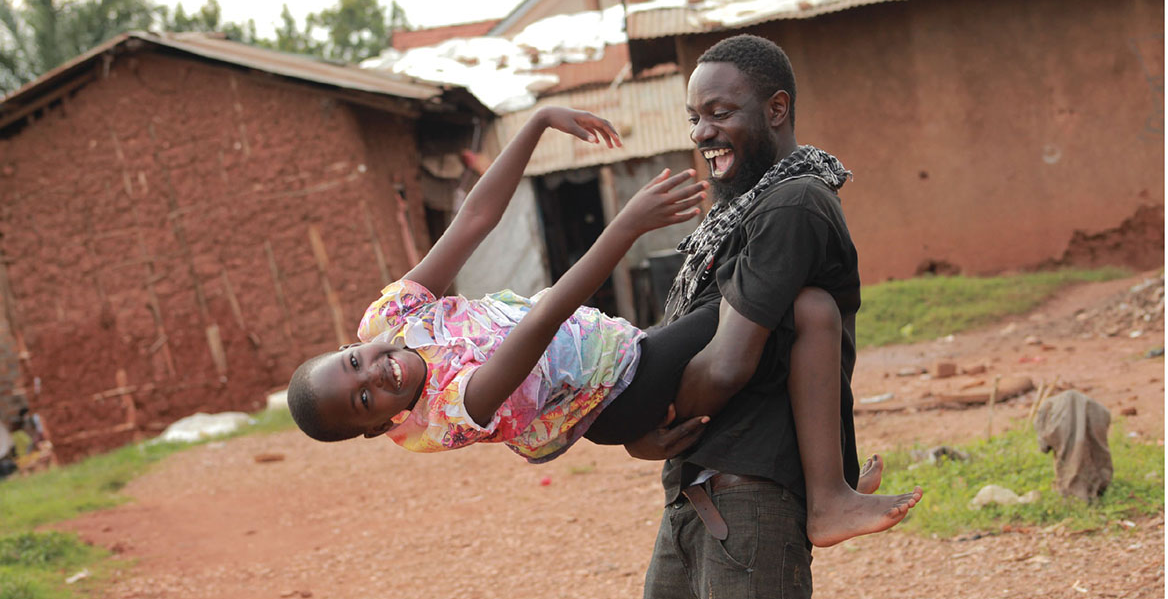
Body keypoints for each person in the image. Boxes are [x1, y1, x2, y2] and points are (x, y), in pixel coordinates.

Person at [288, 103, 918, 552]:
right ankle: (828, 501)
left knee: (786, 316)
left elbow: (475, 217)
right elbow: (539, 324)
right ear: (379, 428)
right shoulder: (446, 416)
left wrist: (535, 123)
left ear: (353, 345)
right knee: (795, 306)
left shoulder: (392, 318)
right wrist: (624, 226)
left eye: (354, 364)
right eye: (365, 399)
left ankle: (827, 487)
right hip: (620, 389)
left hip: (623, 356)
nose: (375, 373)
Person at [625, 34, 917, 599]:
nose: (703, 132)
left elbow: (728, 365)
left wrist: (649, 420)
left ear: (777, 109)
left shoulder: (791, 204)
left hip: (749, 500)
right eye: (694, 117)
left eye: (721, 112)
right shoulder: (731, 216)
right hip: (691, 499)